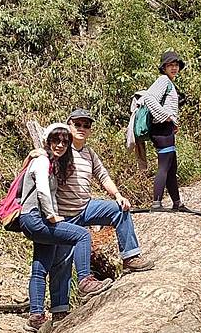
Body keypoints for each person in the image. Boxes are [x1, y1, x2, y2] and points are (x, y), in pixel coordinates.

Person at [46, 109, 155, 321]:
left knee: (119, 209)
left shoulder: (89, 153)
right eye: (77, 124)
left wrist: (118, 195)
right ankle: (59, 310)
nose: (82, 128)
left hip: (85, 207)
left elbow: (102, 175)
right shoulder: (61, 149)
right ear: (69, 125)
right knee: (62, 261)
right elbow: (43, 159)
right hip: (63, 215)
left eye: (86, 125)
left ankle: (130, 257)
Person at [19, 123, 113, 330]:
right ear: (48, 141)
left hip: (33, 219)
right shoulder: (43, 161)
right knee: (81, 235)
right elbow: (43, 191)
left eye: (64, 142)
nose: (60, 145)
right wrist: (53, 216)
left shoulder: (47, 161)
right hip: (36, 218)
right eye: (56, 140)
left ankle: (36, 316)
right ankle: (86, 281)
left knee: (40, 266)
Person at [143, 50, 186, 211]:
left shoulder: (169, 82)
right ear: (164, 67)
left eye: (176, 65)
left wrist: (172, 122)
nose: (174, 68)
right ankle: (156, 203)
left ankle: (177, 203)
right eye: (170, 65)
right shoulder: (163, 80)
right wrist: (165, 116)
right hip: (161, 129)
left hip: (166, 129)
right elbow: (148, 98)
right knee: (164, 166)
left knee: (171, 166)